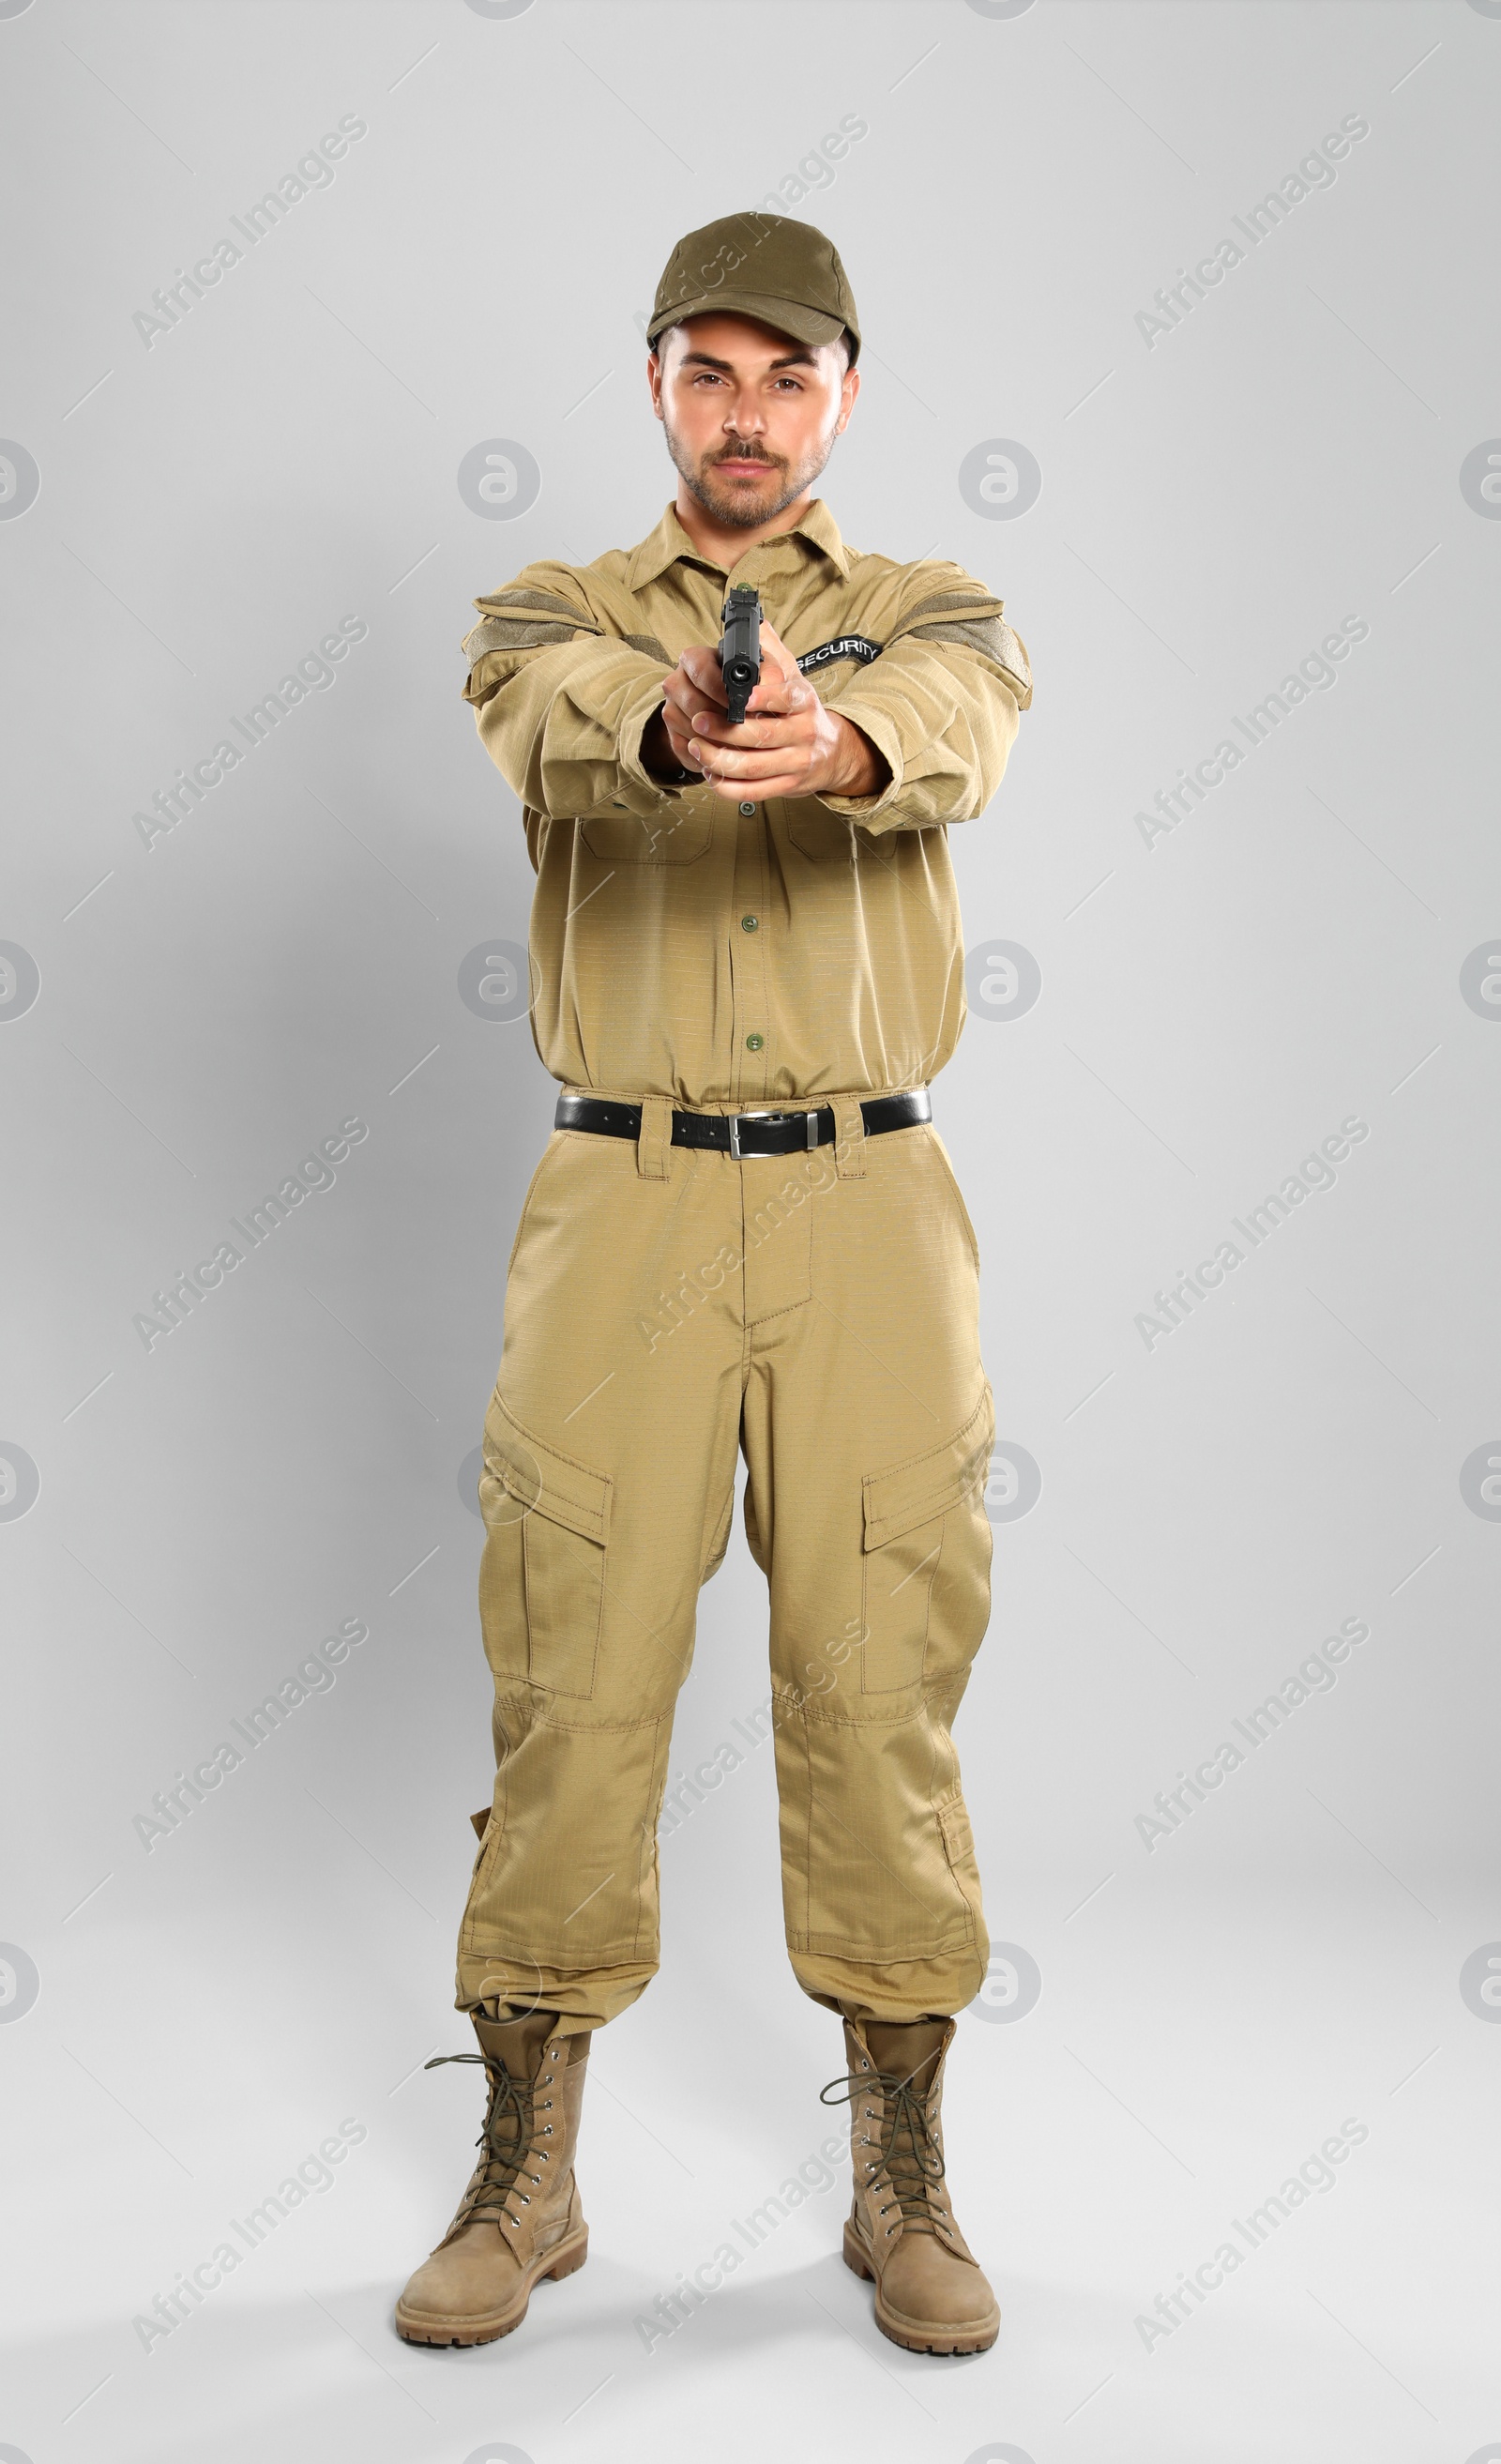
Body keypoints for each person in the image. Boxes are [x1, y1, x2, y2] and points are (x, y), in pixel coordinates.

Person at [395, 212, 1032, 2360]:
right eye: (706, 373)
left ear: (842, 391)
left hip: (868, 1201)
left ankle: (900, 2172)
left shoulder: (926, 604)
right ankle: (529, 2167)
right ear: (653, 385)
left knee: (878, 1677)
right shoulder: (549, 606)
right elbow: (544, 711)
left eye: (785, 376)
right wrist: (672, 726)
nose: (744, 414)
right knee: (571, 1674)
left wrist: (836, 750)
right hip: (625, 1204)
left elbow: (954, 715)